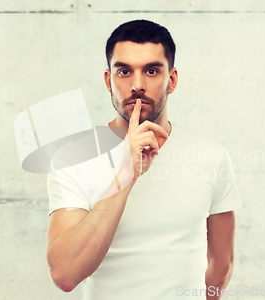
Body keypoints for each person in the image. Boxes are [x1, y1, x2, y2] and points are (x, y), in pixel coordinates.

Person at [46, 19, 241, 300]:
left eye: (151, 71)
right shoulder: (74, 158)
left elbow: (221, 265)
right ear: (108, 80)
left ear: (171, 80)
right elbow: (65, 274)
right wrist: (126, 173)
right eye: (124, 71)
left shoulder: (210, 155)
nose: (137, 85)